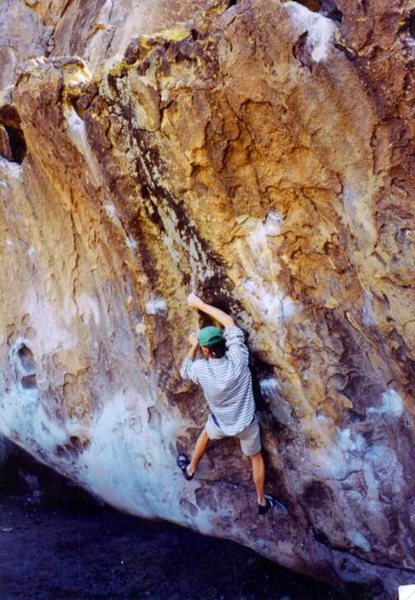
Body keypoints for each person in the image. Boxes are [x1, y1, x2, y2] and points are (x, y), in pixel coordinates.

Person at [177, 293, 277, 515]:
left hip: (220, 423)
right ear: (223, 342)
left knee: (206, 433)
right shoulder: (239, 359)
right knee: (256, 457)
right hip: (245, 424)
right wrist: (200, 304)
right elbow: (229, 322)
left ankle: (191, 469)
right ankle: (261, 501)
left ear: (205, 351)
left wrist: (193, 346)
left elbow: (184, 370)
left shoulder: (202, 370)